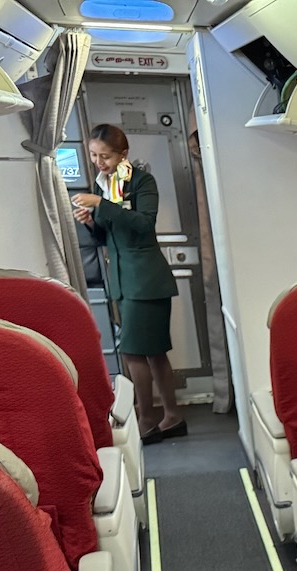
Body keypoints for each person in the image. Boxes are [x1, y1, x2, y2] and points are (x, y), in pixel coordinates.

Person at [72, 124, 186, 444]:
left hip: (146, 281)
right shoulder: (104, 185)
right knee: (153, 354)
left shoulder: (141, 182)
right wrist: (93, 224)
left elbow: (142, 224)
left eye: (105, 156)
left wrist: (100, 205)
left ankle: (146, 418)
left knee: (134, 353)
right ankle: (173, 416)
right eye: (94, 156)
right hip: (124, 282)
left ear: (123, 154)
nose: (99, 162)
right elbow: (110, 237)